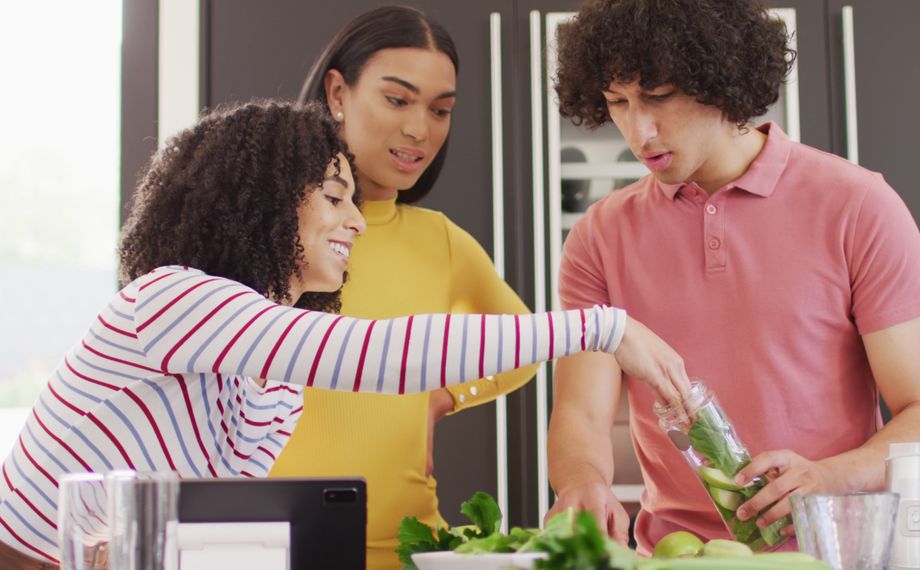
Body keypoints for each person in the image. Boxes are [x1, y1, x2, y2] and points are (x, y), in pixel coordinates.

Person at [0, 101, 690, 569]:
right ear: (261, 202)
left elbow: (201, 528)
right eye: (334, 197)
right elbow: (381, 356)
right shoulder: (173, 298)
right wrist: (605, 326)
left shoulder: (273, 388)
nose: (356, 223)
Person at [545, 0, 920, 554]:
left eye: (658, 96)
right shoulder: (599, 236)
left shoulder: (858, 205)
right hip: (677, 557)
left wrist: (831, 476)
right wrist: (582, 482)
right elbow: (580, 412)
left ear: (719, 79)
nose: (637, 129)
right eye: (617, 102)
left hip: (831, 553)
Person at [264, 7, 540, 567]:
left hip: (412, 551)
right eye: (398, 100)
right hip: (274, 549)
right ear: (338, 91)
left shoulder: (439, 241)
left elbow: (528, 346)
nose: (421, 129)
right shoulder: (262, 230)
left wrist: (443, 397)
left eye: (441, 110)